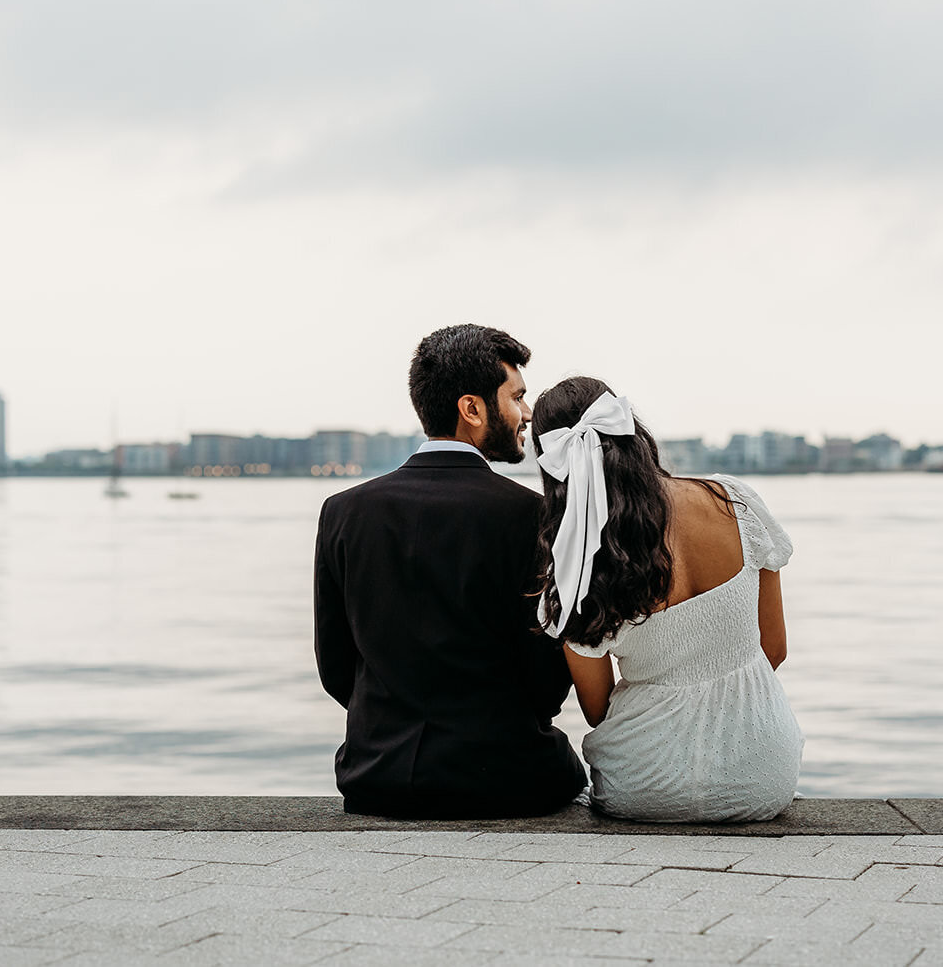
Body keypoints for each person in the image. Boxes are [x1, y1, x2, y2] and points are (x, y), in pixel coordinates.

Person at [313, 325, 586, 817]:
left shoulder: (343, 511)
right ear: (473, 409)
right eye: (517, 397)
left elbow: (335, 666)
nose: (527, 414)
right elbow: (546, 678)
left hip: (377, 776)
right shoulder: (533, 515)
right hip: (510, 776)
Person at [531, 375, 804, 822]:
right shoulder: (733, 501)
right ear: (633, 432)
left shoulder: (578, 568)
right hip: (761, 776)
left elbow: (597, 711)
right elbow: (774, 649)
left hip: (640, 785)